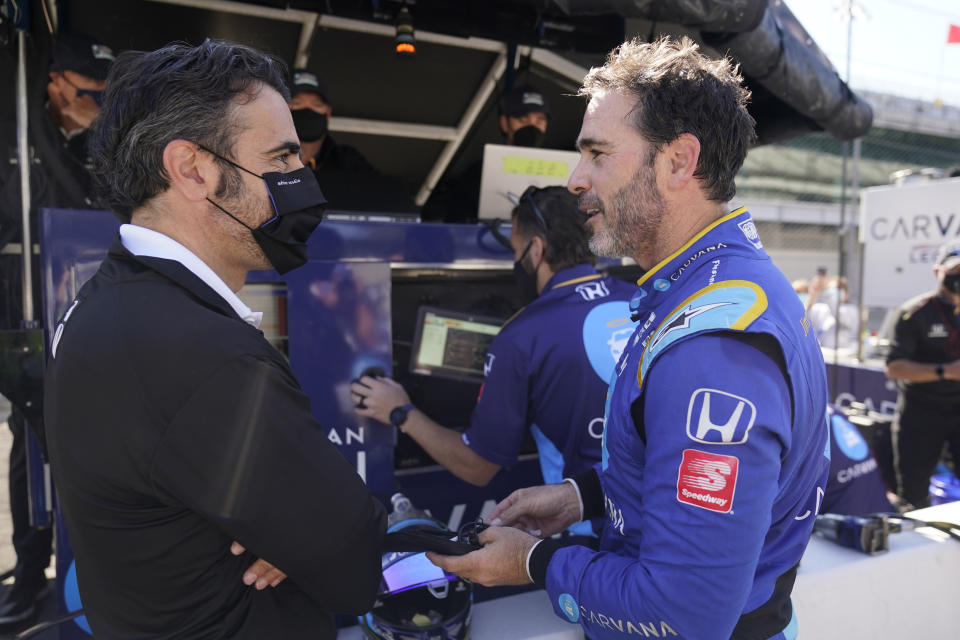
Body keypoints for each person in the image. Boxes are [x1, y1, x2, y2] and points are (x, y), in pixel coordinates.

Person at [427, 36, 830, 640]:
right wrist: (582, 496)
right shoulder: (712, 285)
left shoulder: (712, 345)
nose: (575, 179)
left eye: (596, 153)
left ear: (677, 162)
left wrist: (532, 562)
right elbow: (667, 466)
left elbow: (684, 612)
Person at [43, 40, 386, 638]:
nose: (302, 178)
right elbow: (354, 562)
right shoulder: (205, 354)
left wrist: (296, 535)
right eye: (281, 160)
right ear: (193, 169)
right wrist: (303, 539)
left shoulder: (108, 303)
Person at [351, 187, 633, 506]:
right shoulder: (642, 297)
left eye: (516, 252)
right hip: (661, 508)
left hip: (595, 529)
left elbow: (478, 467)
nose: (517, 262)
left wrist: (401, 412)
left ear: (536, 250)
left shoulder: (522, 334)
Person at [0, 32, 114, 631]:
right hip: (28, 322)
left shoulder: (107, 143)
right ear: (53, 82)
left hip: (94, 322)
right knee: (31, 456)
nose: (98, 102)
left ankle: (95, 571)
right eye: (89, 90)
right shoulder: (13, 139)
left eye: (105, 91)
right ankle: (29, 573)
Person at [884, 240, 960, 509]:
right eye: (954, 271)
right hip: (921, 411)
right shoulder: (913, 312)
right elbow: (894, 367)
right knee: (913, 494)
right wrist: (945, 372)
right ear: (937, 271)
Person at [421, 83, 551, 223]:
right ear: (504, 123)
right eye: (522, 120)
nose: (531, 127)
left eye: (540, 120)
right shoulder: (479, 173)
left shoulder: (565, 173)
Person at [287, 68, 376, 173]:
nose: (308, 111)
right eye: (297, 103)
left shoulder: (348, 162)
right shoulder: (265, 160)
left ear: (328, 113)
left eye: (317, 105)